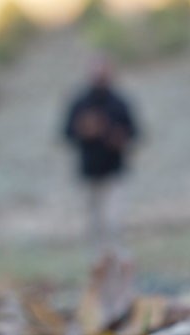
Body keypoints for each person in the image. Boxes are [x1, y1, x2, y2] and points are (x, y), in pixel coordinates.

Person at [62, 59, 139, 248]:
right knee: (93, 224)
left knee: (114, 222)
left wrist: (118, 137)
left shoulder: (119, 102)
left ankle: (118, 261)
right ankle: (98, 264)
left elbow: (134, 132)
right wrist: (84, 130)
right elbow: (67, 132)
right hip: (89, 173)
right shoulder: (80, 102)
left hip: (114, 171)